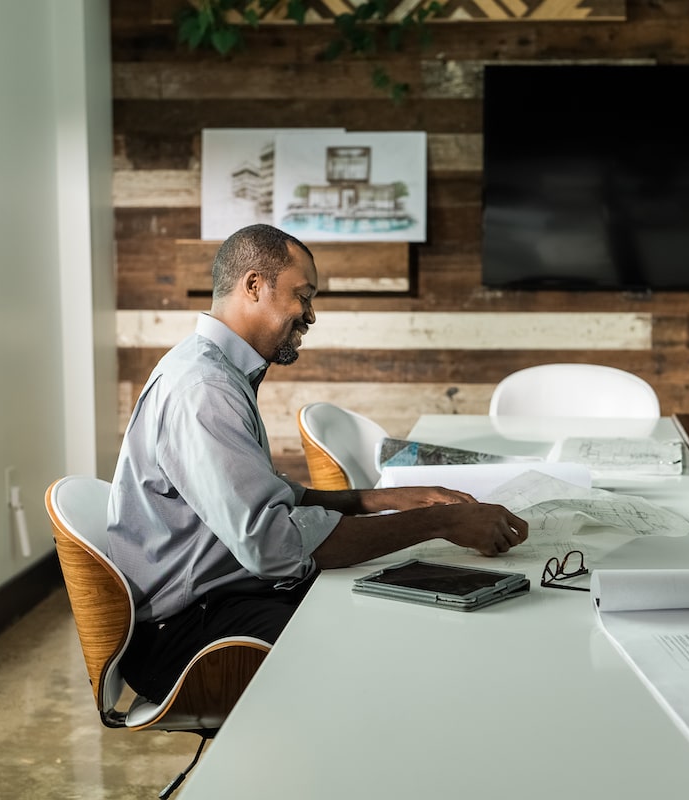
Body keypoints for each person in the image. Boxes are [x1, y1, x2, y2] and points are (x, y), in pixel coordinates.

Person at [107, 223, 528, 703]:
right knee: (383, 638)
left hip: (218, 601)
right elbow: (274, 545)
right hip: (187, 637)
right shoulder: (203, 389)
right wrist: (438, 522)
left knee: (391, 601)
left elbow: (266, 496)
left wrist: (377, 500)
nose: (310, 315)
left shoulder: (213, 371)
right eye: (302, 296)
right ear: (253, 286)